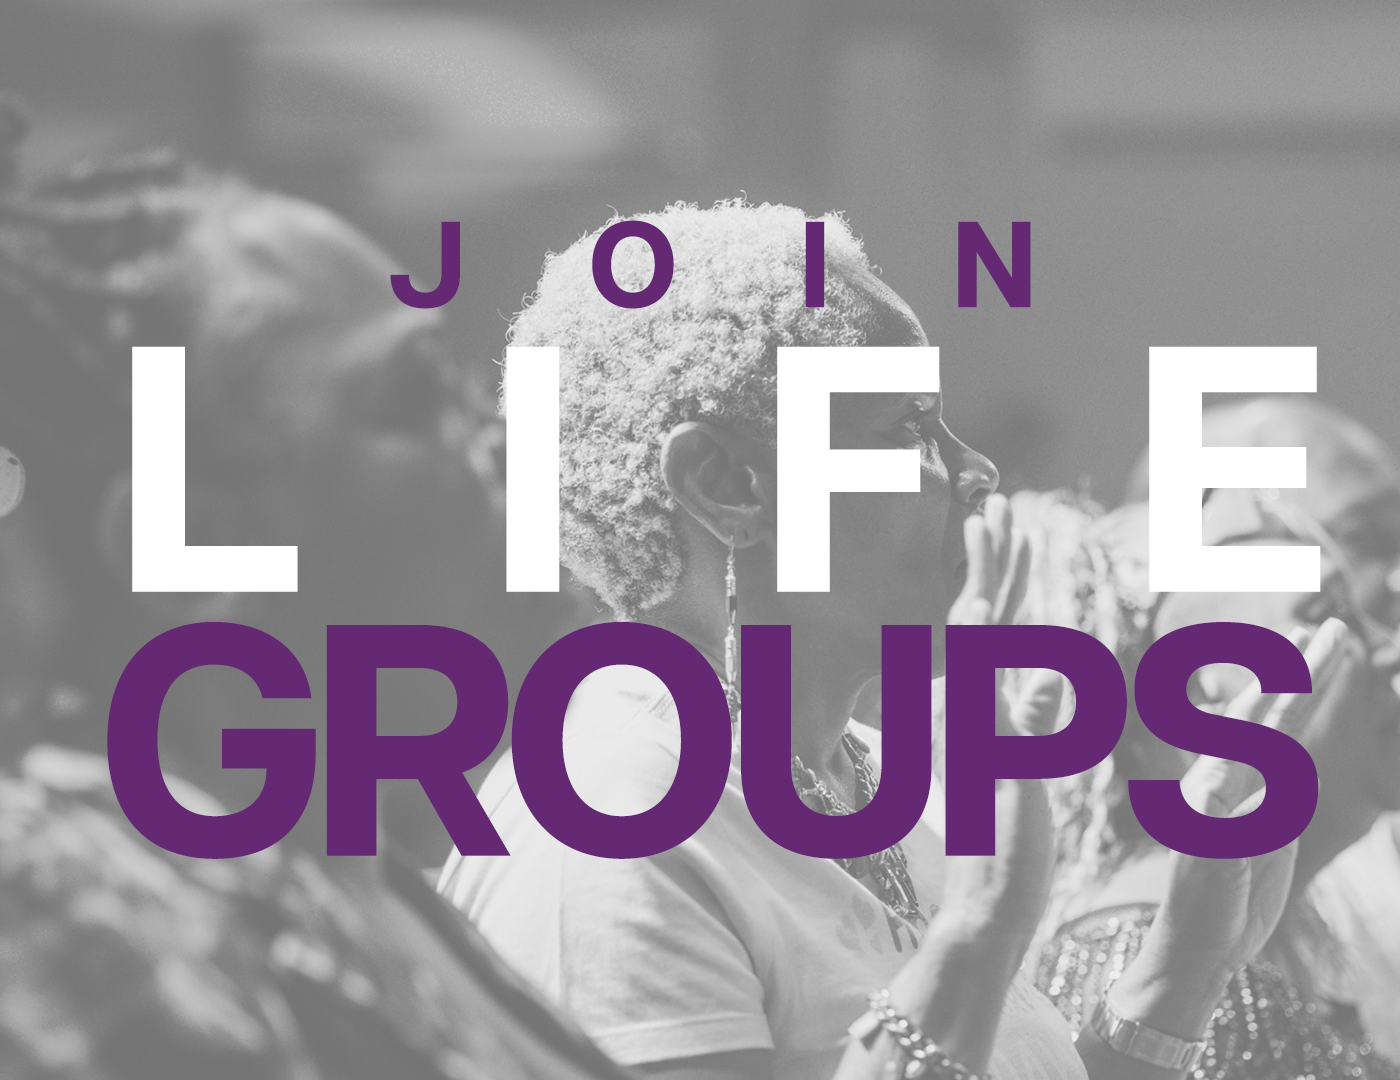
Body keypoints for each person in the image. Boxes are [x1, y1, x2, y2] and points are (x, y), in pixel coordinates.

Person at [440, 201, 1321, 1080]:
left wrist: (1181, 968)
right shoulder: (613, 817)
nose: (974, 471)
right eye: (909, 428)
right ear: (728, 485)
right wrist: (979, 932)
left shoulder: (875, 782)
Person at [0, 85, 622, 1080]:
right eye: (414, 393)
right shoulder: (82, 917)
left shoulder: (338, 869)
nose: (504, 438)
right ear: (192, 543)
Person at [1013, 394, 1400, 1080]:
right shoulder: (1148, 967)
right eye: (1326, 616)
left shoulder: (1250, 959)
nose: (1389, 648)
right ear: (1200, 688)